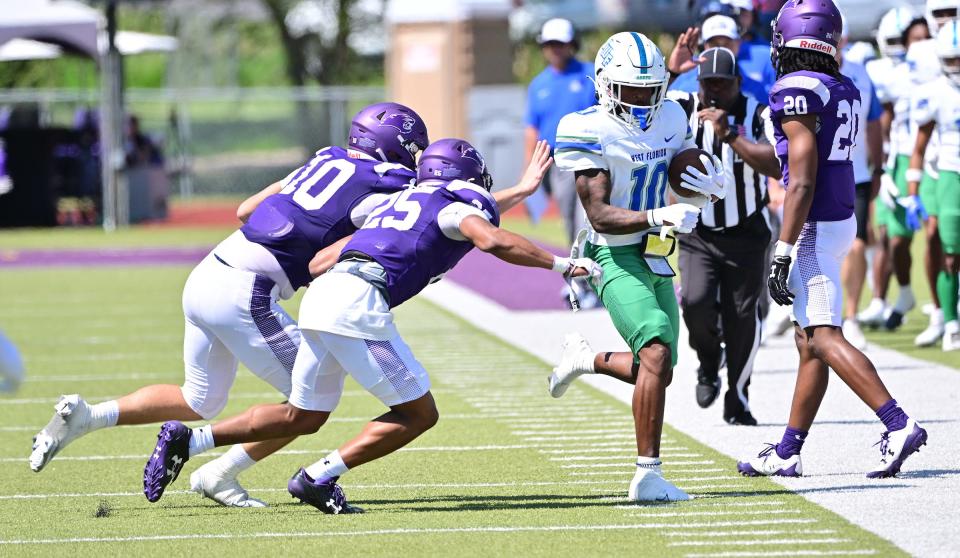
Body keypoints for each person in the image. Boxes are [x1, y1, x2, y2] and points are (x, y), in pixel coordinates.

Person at [140, 138, 600, 512]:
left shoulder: (391, 207)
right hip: (355, 304)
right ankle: (317, 478)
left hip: (322, 297)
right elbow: (492, 238)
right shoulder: (456, 207)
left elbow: (321, 260)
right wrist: (562, 264)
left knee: (306, 414)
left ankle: (190, 438)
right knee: (420, 414)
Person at [29, 102, 431, 508]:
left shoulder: (327, 158)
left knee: (199, 398)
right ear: (394, 146)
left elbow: (245, 211)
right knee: (308, 404)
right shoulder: (388, 185)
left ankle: (89, 416)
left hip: (208, 273)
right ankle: (218, 472)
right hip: (245, 291)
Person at [738, 0, 927, 479]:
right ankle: (787, 450)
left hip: (813, 226)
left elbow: (799, 178)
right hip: (840, 218)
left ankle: (897, 423)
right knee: (809, 341)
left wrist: (782, 250)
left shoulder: (794, 89)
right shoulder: (840, 85)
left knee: (822, 335)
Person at [548, 32, 727, 501]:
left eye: (650, 91)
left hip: (657, 248)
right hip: (609, 249)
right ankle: (648, 475)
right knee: (655, 354)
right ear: (605, 86)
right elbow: (599, 212)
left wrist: (705, 181)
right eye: (630, 92)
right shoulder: (586, 127)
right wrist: (657, 214)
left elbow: (679, 162)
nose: (642, 103)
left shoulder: (671, 112)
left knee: (661, 368)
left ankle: (585, 359)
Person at [668, 47, 781, 425]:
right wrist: (669, 71)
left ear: (738, 83)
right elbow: (645, 110)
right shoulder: (683, 106)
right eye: (707, 84)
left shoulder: (759, 113)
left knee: (742, 317)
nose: (714, 92)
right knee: (695, 303)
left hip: (747, 230)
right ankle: (707, 360)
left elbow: (777, 164)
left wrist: (729, 134)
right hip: (699, 230)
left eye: (722, 84)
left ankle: (738, 397)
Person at [859, 12, 933, 330]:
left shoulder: (939, 72)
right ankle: (891, 296)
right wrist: (885, 166)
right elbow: (883, 122)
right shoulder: (887, 73)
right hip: (904, 158)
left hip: (939, 158)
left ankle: (945, 309)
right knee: (892, 237)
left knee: (937, 235)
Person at [906, 18, 960, 351]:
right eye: (951, 60)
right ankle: (950, 321)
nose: (957, 67)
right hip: (950, 173)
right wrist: (912, 194)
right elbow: (919, 147)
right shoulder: (935, 92)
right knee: (949, 252)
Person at [523, 17, 596, 243]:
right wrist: (530, 166)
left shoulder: (591, 73)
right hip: (557, 162)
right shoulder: (538, 84)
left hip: (590, 158)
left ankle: (588, 270)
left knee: (589, 217)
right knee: (568, 217)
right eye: (550, 44)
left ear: (571, 44)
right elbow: (531, 128)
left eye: (560, 43)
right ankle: (577, 270)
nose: (555, 49)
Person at [837, 21, 886, 350]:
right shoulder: (802, 70)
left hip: (855, 174)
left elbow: (873, 123)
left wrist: (879, 167)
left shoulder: (861, 73)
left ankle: (850, 317)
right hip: (816, 174)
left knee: (855, 244)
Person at [668, 14, 776, 104]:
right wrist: (672, 72)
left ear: (738, 43)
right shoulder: (683, 82)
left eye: (727, 43)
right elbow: (658, 106)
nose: (721, 49)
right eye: (714, 44)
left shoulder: (757, 88)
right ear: (704, 45)